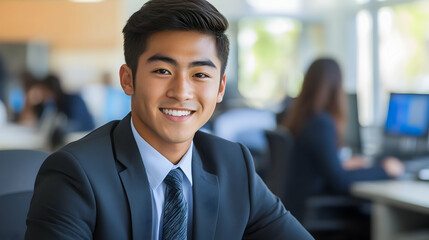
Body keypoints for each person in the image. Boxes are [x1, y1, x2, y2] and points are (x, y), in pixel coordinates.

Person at [25, 0, 313, 239]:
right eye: (163, 71)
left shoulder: (233, 164)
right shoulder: (76, 174)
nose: (181, 92)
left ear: (220, 88)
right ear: (128, 80)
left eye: (200, 74)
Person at [282, 58, 404, 227]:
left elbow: (317, 168)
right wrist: (384, 170)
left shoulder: (302, 118)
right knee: (369, 219)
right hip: (315, 211)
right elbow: (339, 182)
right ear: (335, 88)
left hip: (297, 207)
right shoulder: (320, 123)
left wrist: (341, 165)